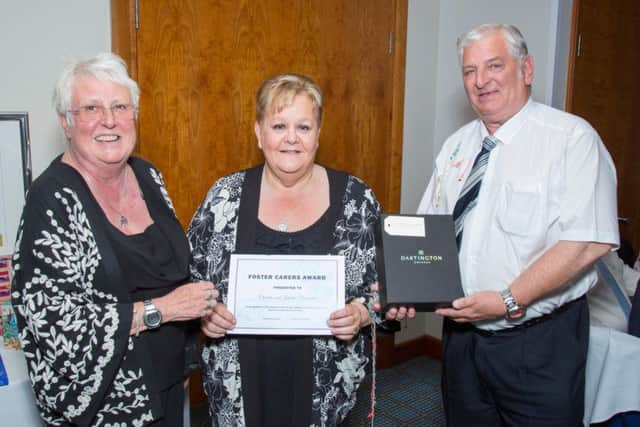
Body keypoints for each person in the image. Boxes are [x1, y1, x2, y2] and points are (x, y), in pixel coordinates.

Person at [388, 24, 619, 426]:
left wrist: (509, 300)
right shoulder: (456, 146)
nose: (480, 81)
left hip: (538, 342)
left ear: (526, 69)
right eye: (469, 71)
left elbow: (586, 242)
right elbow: (429, 230)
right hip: (461, 338)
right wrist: (406, 285)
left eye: (494, 65)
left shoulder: (571, 140)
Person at [11, 52, 217, 426]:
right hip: (105, 407)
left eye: (120, 106)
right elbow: (58, 330)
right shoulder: (51, 201)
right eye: (91, 108)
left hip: (168, 390)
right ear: (66, 122)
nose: (109, 120)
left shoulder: (147, 175)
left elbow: (174, 271)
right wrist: (163, 310)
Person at [187, 73, 381, 426]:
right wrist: (205, 314)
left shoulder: (357, 199)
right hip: (239, 384)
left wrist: (362, 314)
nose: (291, 138)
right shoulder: (224, 197)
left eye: (304, 127)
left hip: (326, 387)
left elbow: (386, 289)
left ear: (318, 134)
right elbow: (190, 279)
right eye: (278, 125)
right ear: (259, 132)